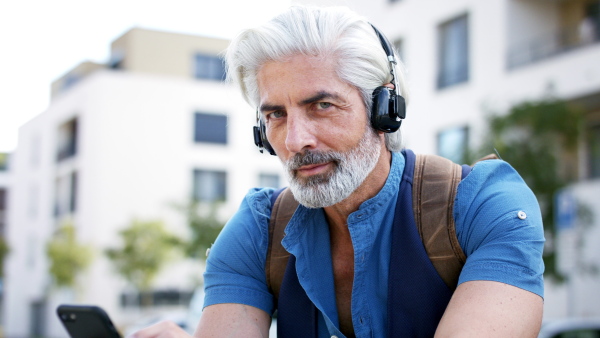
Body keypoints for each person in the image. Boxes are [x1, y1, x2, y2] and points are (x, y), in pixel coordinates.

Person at [132, 5, 545, 338]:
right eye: (276, 115)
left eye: (322, 106)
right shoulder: (258, 229)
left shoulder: (486, 205)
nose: (296, 140)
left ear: (385, 109)